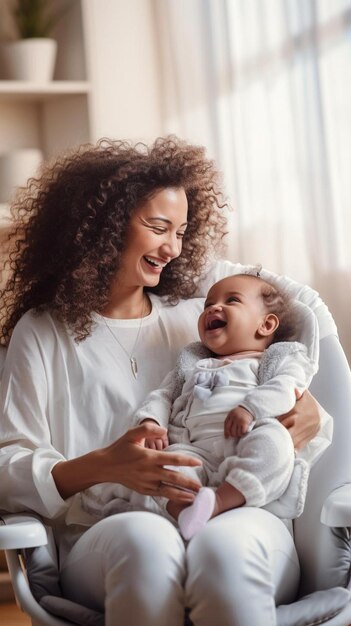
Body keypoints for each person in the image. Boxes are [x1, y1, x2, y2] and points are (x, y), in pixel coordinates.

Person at [0, 136, 335, 626]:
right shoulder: (43, 331)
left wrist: (312, 414)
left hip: (235, 511)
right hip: (109, 527)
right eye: (158, 227)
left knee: (225, 555)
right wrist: (105, 465)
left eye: (180, 232)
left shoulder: (196, 315)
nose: (172, 248)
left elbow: (288, 320)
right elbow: (9, 463)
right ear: (103, 226)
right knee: (146, 546)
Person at [81, 272, 332, 539]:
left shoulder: (273, 360)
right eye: (208, 304)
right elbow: (163, 396)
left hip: (245, 440)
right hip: (192, 450)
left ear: (266, 324)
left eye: (232, 300)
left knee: (275, 443)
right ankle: (185, 511)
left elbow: (286, 387)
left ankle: (221, 500)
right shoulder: (192, 364)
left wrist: (251, 408)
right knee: (166, 467)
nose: (214, 307)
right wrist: (150, 422)